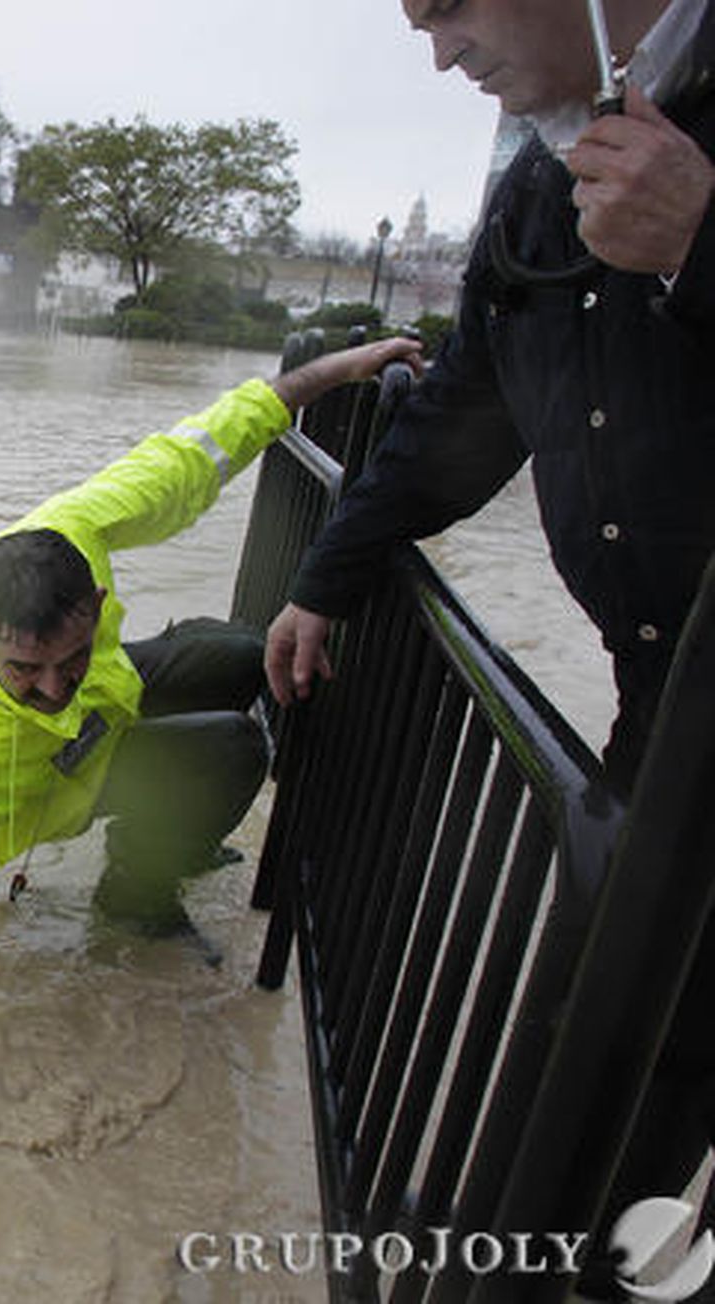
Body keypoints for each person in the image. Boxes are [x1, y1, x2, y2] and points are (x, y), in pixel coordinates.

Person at [261, 0, 715, 1293]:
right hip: (669, 714)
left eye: (452, 4)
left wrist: (701, 242)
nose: (440, 51)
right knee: (597, 1027)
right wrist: (323, 581)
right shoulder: (537, 191)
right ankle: (520, 1250)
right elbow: (461, 410)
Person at [0, 336, 424, 1050]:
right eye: (25, 670)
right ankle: (133, 894)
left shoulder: (76, 524)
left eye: (70, 658)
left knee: (241, 654)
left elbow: (197, 453)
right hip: (45, 780)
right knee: (235, 747)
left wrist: (339, 370)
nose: (53, 689)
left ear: (93, 597)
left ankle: (169, 836)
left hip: (110, 698)